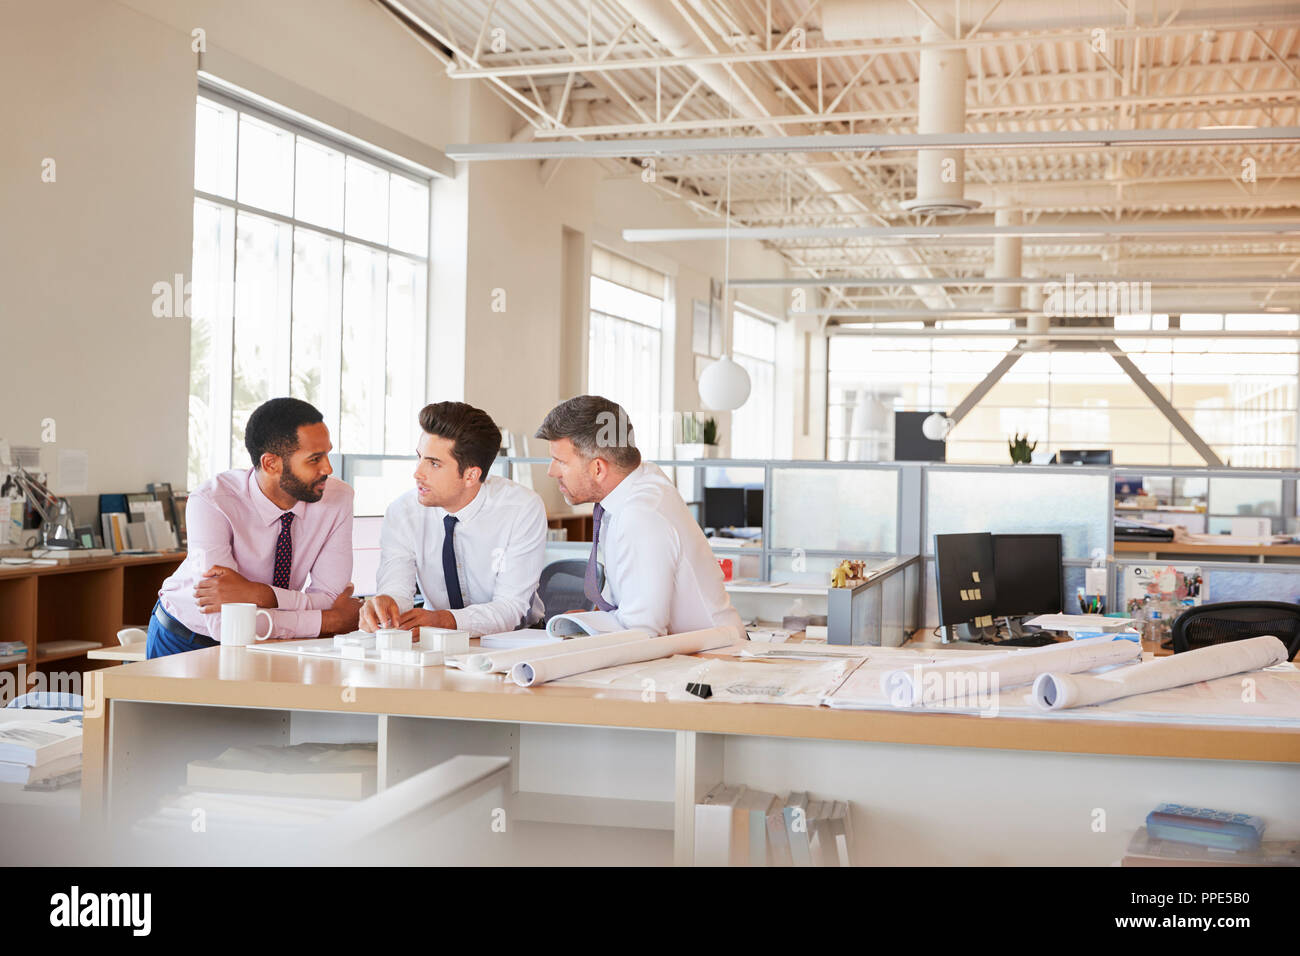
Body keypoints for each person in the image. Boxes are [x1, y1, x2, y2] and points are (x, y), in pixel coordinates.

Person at [148, 397, 360, 658]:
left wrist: (260, 595)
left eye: (327, 453)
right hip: (187, 638)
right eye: (314, 459)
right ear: (271, 463)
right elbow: (226, 624)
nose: (328, 468)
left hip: (278, 640)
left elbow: (330, 598)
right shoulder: (212, 501)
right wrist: (327, 621)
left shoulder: (337, 498)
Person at [535, 395, 743, 639]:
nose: (551, 471)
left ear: (598, 468)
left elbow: (642, 632)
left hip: (713, 658)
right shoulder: (634, 489)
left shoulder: (641, 515)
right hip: (694, 653)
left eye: (560, 461)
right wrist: (589, 623)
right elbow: (627, 610)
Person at [361, 402, 546, 637]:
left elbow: (510, 608)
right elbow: (397, 589)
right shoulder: (403, 511)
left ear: (471, 475)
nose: (417, 473)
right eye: (419, 457)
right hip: (434, 637)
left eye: (434, 463)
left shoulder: (521, 509)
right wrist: (386, 606)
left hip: (516, 639)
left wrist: (444, 620)